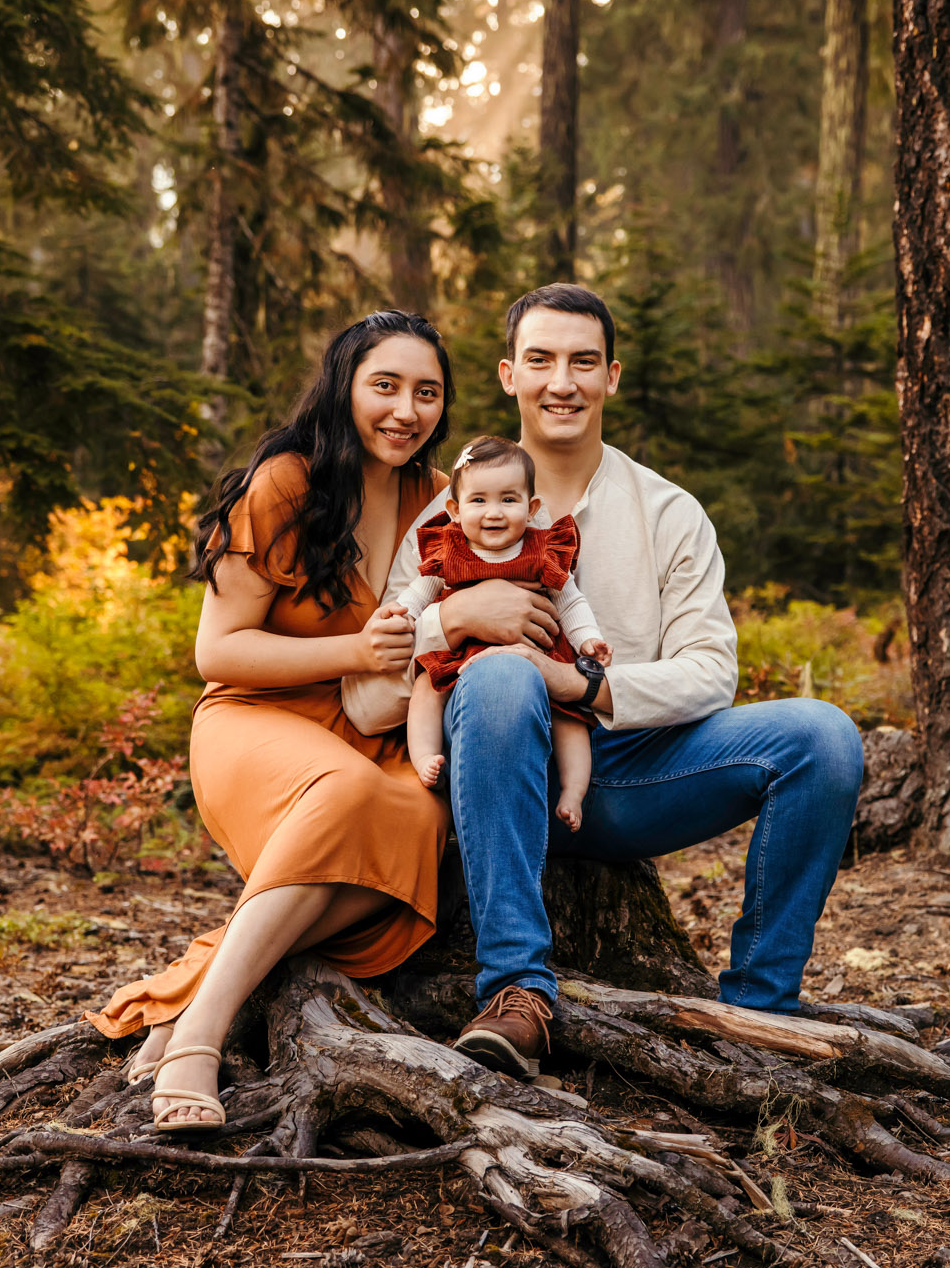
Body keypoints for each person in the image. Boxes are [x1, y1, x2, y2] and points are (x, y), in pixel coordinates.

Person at [343, 284, 865, 1080]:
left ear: (611, 377)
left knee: (823, 737)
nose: (563, 382)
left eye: (583, 362)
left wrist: (574, 683)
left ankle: (760, 1010)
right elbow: (370, 688)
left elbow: (710, 671)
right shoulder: (448, 519)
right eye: (542, 360)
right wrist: (459, 622)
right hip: (490, 768)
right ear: (509, 375)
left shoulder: (669, 512)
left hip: (630, 772)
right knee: (497, 681)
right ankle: (518, 993)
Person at [89, 310, 453, 1131]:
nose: (406, 410)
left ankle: (186, 999)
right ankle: (200, 1041)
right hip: (258, 717)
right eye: (385, 386)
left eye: (426, 393)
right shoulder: (290, 483)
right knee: (348, 793)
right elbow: (219, 652)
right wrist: (358, 652)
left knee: (421, 819)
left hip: (378, 729)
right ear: (344, 388)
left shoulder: (441, 501)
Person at [397, 434, 613, 830]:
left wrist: (587, 640)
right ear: (455, 511)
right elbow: (419, 592)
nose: (493, 512)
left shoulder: (544, 550)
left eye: (508, 499)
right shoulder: (448, 550)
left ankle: (573, 791)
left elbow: (570, 601)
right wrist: (402, 616)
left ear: (531, 508)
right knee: (426, 688)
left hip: (538, 655)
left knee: (571, 720)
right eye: (478, 500)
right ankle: (426, 756)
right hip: (461, 656)